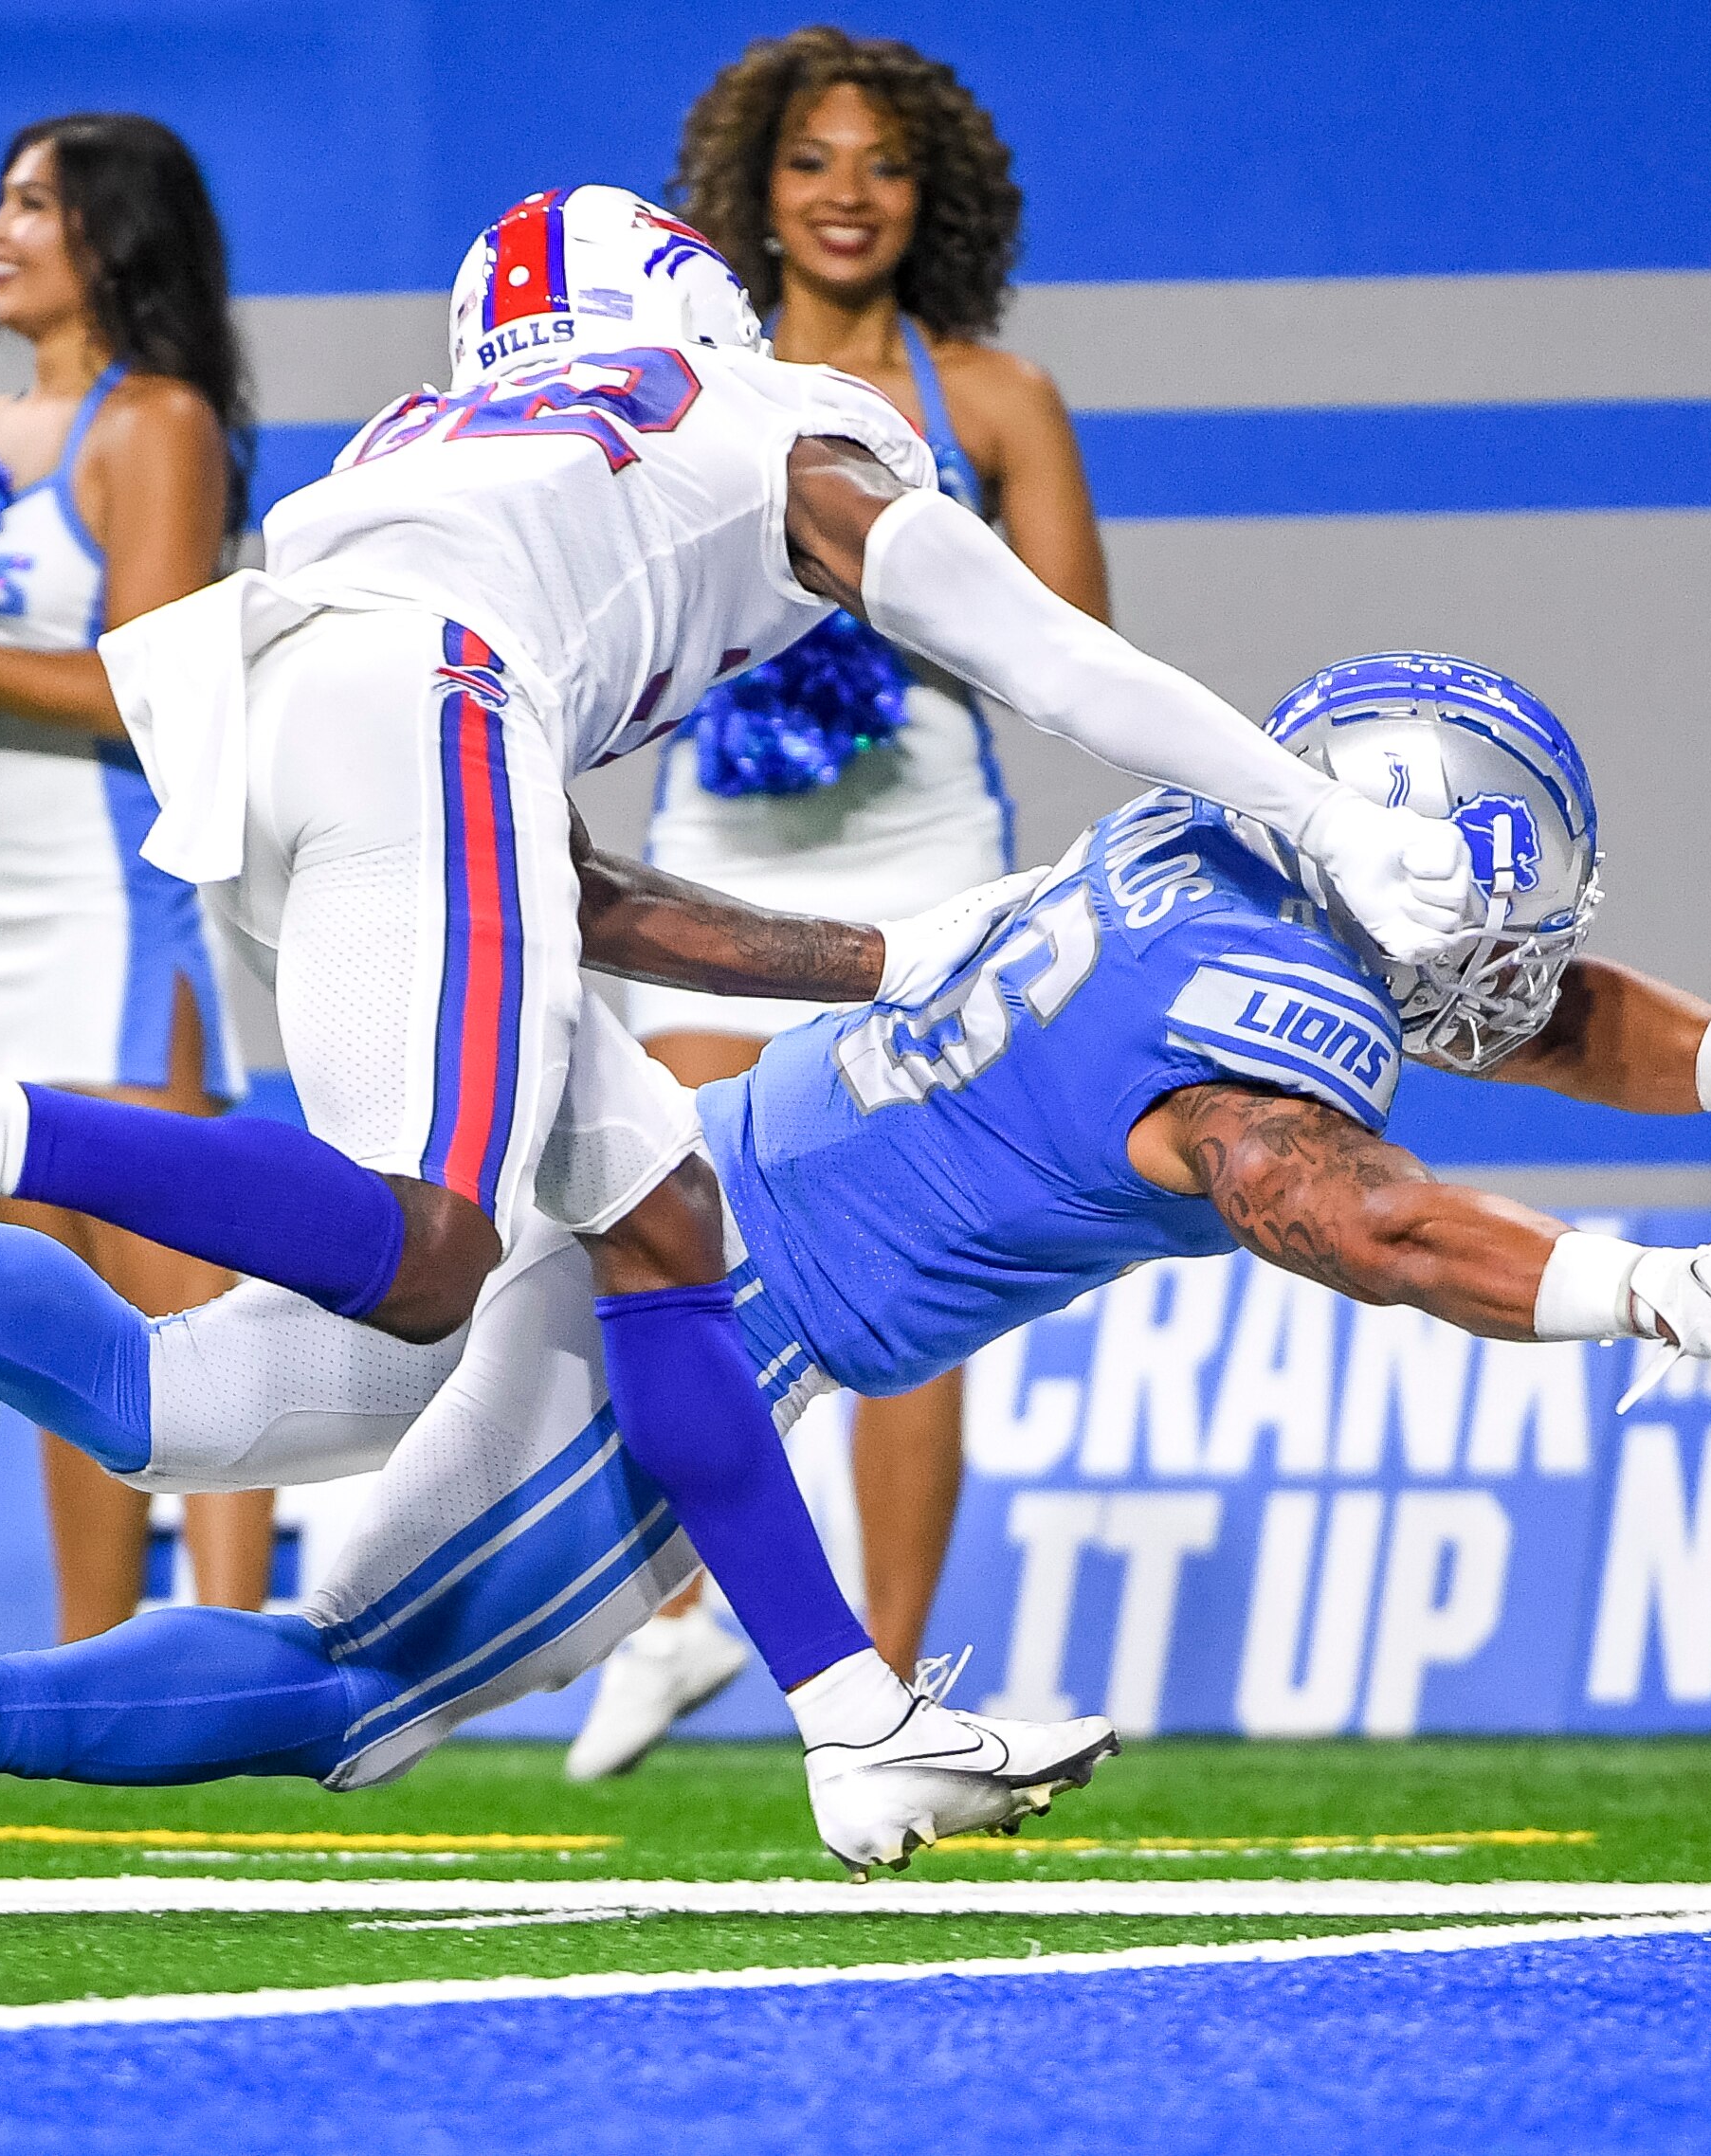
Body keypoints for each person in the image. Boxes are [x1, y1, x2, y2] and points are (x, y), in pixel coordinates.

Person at [0, 651, 1711, 1921]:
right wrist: (1626, 1291)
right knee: (358, 1691)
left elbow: (1514, 1013)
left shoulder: (1203, 856)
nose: (1533, 954)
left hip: (668, 1157)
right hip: (710, 1314)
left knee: (183, 1401)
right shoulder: (1272, 1035)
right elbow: (1324, 1202)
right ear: (1422, 884)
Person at [0, 186, 1474, 1872]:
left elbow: (565, 897)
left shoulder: (443, 444)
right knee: (433, 1250)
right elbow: (1046, 650)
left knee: (666, 1225)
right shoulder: (764, 418)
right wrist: (1314, 819)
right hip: (420, 711)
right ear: (691, 304)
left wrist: (891, 955)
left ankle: (848, 1716)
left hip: (271, 733)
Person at [572, 27, 1112, 1777]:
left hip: (934, 866)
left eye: (880, 163)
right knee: (661, 1217)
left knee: (919, 1265)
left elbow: (1068, 650)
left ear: (929, 191)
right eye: (811, 162)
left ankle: (889, 1672)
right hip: (722, 860)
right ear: (755, 197)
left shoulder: (997, 403)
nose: (847, 193)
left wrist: (894, 626)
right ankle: (677, 1620)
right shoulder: (688, 397)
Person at [0, 114, 272, 1638]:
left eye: (35, 205)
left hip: (115, 911)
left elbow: (152, 689)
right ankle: (92, 1662)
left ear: (112, 236)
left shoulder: (158, 425)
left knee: (176, 1293)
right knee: (47, 1306)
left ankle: (234, 1653)